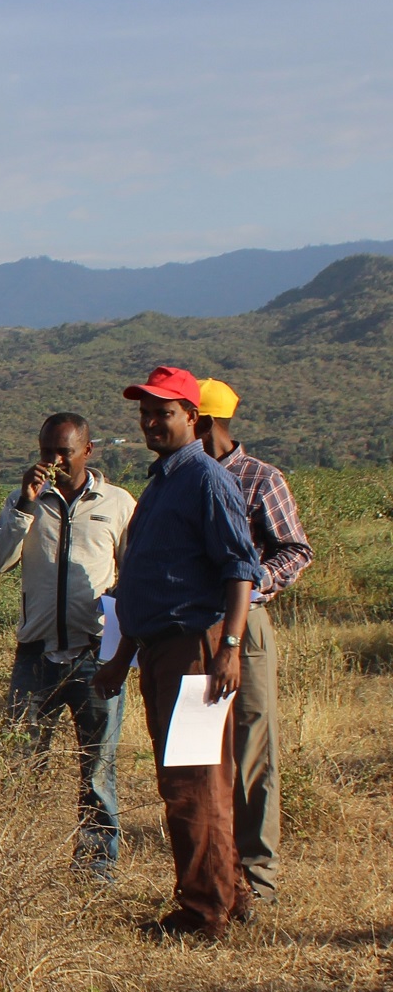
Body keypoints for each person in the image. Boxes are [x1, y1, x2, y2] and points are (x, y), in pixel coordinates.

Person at [93, 367, 265, 939]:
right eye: (145, 412)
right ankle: (226, 894)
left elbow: (241, 569)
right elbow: (154, 580)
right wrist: (122, 660)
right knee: (189, 779)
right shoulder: (165, 481)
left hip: (196, 649)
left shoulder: (206, 480)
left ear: (193, 416)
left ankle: (202, 913)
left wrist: (230, 648)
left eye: (163, 412)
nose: (150, 422)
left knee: (194, 782)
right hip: (164, 651)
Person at [0, 413, 136, 878]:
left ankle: (95, 867)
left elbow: (132, 573)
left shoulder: (116, 503)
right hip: (36, 655)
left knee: (96, 768)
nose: (52, 460)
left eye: (63, 452)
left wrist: (123, 638)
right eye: (46, 450)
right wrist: (24, 508)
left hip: (95, 656)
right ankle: (18, 865)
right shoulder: (24, 502)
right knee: (21, 763)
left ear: (87, 451)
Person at [196, 378, 313, 913]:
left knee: (251, 749)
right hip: (196, 628)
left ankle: (257, 876)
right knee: (201, 750)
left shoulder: (260, 478)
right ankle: (217, 875)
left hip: (249, 627)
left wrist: (248, 584)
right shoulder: (183, 478)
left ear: (203, 422)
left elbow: (295, 550)